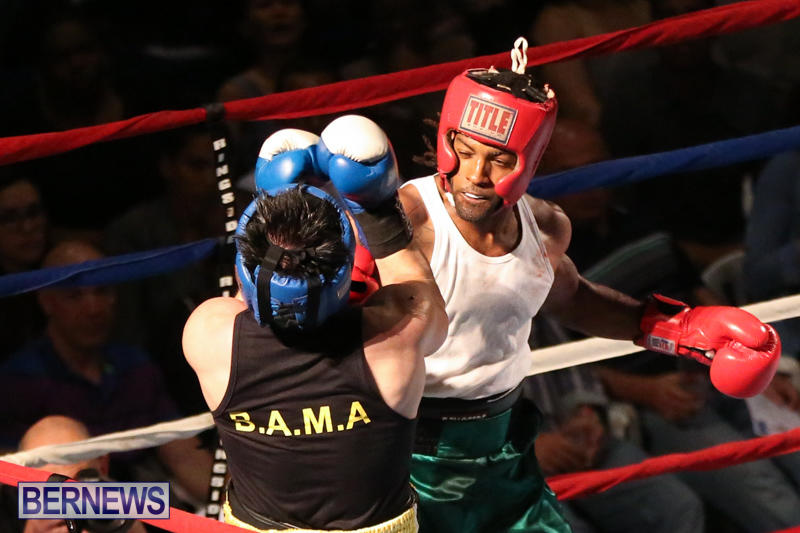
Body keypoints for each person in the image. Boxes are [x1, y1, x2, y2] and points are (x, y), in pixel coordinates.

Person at [394, 60, 782, 532]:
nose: (476, 174)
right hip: (412, 449)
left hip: (504, 439)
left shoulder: (544, 227)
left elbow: (573, 300)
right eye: (466, 151)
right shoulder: (405, 220)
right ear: (447, 141)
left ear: (531, 160)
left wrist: (675, 329)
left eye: (499, 159)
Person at [182, 117, 448, 531]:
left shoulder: (208, 334)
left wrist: (273, 205)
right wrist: (376, 208)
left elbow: (250, 288)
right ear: (344, 271)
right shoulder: (396, 339)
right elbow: (415, 284)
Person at [0, 241, 212, 505]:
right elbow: (14, 486)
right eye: (74, 296)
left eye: (102, 291)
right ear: (46, 302)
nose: (94, 309)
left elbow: (184, 455)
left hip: (145, 505)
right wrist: (134, 507)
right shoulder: (18, 381)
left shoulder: (136, 367)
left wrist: (234, 510)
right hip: (59, 511)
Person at [0, 415, 147, 533]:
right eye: (49, 493)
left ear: (102, 466)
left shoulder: (137, 499)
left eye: (77, 485)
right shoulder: (8, 514)